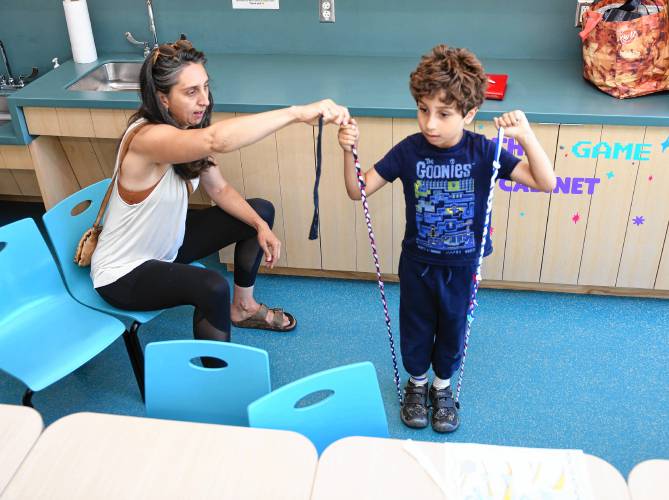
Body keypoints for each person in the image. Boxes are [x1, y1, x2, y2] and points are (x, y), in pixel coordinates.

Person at [338, 44, 555, 432]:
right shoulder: (408, 150)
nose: (430, 124)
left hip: (463, 264)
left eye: (443, 114)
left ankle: (442, 388)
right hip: (419, 263)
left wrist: (525, 136)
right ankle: (417, 385)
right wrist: (347, 150)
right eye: (423, 110)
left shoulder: (484, 150)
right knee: (417, 327)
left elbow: (546, 182)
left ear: (469, 113)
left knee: (452, 329)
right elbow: (358, 190)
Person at [92, 38, 350, 345]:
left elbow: (220, 188)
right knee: (212, 286)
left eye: (205, 87)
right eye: (191, 92)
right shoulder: (148, 139)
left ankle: (244, 308)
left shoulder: (186, 130)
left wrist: (259, 227)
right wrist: (295, 113)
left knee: (259, 212)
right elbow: (217, 141)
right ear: (163, 98)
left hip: (165, 247)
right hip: (124, 273)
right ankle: (216, 377)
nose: (204, 100)